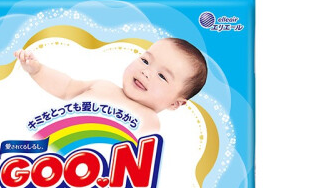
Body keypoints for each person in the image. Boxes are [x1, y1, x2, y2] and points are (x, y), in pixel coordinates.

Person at [15, 37, 207, 133]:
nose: (146, 72)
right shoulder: (103, 86)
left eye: (162, 76)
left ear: (175, 103)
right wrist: (37, 70)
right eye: (145, 61)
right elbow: (66, 87)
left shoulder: (149, 120)